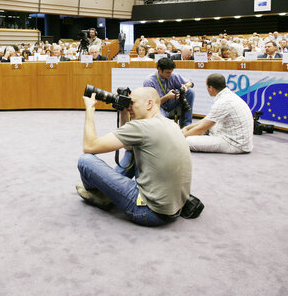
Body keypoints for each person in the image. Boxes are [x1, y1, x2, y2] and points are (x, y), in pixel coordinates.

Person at [76, 87, 194, 226]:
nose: (129, 106)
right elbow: (128, 146)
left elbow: (89, 146)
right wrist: (124, 113)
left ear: (149, 104)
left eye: (133, 103)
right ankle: (107, 191)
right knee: (132, 151)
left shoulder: (141, 127)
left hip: (148, 211)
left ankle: (99, 193)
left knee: (85, 160)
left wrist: (90, 109)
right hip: (173, 208)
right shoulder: (170, 123)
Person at [182, 74, 254, 154]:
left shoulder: (222, 102)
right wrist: (187, 128)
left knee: (187, 141)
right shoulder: (228, 96)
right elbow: (207, 120)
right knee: (209, 127)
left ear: (211, 88)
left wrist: (180, 137)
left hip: (235, 144)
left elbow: (202, 128)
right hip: (240, 140)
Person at [142, 57, 195, 128]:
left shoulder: (173, 76)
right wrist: (167, 97)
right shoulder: (149, 81)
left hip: (171, 102)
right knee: (162, 124)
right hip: (158, 105)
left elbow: (191, 83)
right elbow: (151, 104)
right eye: (167, 72)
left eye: (171, 72)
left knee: (190, 92)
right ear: (159, 69)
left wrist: (185, 86)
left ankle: (186, 125)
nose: (169, 75)